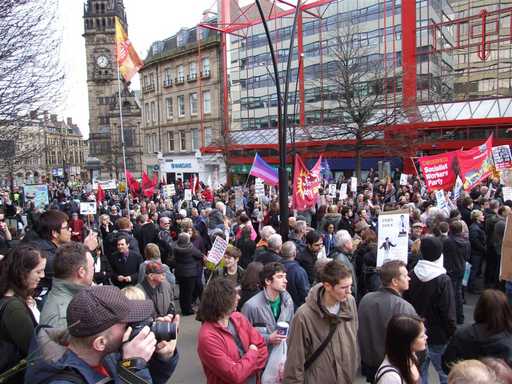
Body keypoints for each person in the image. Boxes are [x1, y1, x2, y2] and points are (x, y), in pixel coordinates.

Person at [25, 285, 179, 384]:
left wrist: (162, 358)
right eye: (127, 323)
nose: (133, 326)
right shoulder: (62, 381)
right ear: (100, 343)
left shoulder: (106, 356)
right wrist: (133, 369)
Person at [283, 260, 359, 383]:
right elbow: (294, 362)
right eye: (344, 287)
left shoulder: (350, 302)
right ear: (328, 286)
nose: (349, 292)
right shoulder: (303, 316)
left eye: (350, 286)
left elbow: (353, 337)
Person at [404, 236, 456, 384]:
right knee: (445, 373)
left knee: (420, 373)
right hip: (439, 335)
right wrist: (452, 332)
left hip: (416, 332)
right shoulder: (443, 279)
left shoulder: (412, 274)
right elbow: (448, 312)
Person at [197, 277, 268, 384]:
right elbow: (235, 375)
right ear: (222, 300)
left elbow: (262, 348)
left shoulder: (239, 317)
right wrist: (253, 352)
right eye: (235, 294)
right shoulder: (208, 337)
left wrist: (244, 369)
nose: (239, 297)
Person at [358, 260, 417, 382]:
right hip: (393, 367)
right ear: (395, 281)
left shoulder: (366, 299)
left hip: (369, 363)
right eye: (405, 276)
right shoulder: (403, 306)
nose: (409, 278)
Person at [0, 245, 46, 382]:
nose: (42, 276)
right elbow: (34, 348)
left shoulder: (14, 299)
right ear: (22, 273)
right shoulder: (14, 309)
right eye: (38, 272)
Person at [442, 289, 512, 372]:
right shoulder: (508, 336)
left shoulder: (463, 334)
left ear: (479, 308)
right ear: (506, 310)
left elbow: (447, 364)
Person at [40, 242, 94, 329]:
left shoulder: (73, 297)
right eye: (92, 266)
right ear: (81, 272)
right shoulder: (63, 319)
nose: (93, 270)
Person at [241, 262, 293, 349]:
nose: (285, 280)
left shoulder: (288, 301)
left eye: (285, 276)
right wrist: (268, 338)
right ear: (268, 281)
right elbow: (243, 336)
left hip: (283, 357)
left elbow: (292, 329)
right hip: (261, 358)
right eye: (280, 277)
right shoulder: (251, 306)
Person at [375, 315, 427, 384]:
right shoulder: (390, 378)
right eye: (421, 336)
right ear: (408, 341)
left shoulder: (411, 357)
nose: (426, 337)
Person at [443, 220, 470, 325]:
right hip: (461, 268)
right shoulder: (466, 242)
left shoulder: (448, 241)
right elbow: (467, 256)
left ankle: (453, 317)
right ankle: (460, 316)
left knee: (451, 293)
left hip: (450, 269)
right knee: (458, 292)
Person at [173, 232, 204, 316]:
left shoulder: (175, 247)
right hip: (190, 273)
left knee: (182, 291)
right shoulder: (191, 248)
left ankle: (183, 309)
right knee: (189, 292)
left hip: (180, 272)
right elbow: (200, 255)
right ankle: (188, 310)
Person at [281, 241, 309, 310]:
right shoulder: (299, 271)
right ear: (294, 253)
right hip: (295, 308)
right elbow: (305, 293)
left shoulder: (275, 267)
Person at [329, 229, 357, 298]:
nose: (353, 243)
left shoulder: (344, 256)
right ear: (345, 244)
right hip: (347, 295)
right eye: (351, 241)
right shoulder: (341, 259)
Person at [468, 209, 486, 293]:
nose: (483, 216)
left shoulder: (477, 226)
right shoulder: (474, 228)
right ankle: (471, 287)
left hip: (477, 252)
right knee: (473, 270)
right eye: (481, 215)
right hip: (476, 253)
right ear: (477, 217)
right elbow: (475, 242)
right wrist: (483, 248)